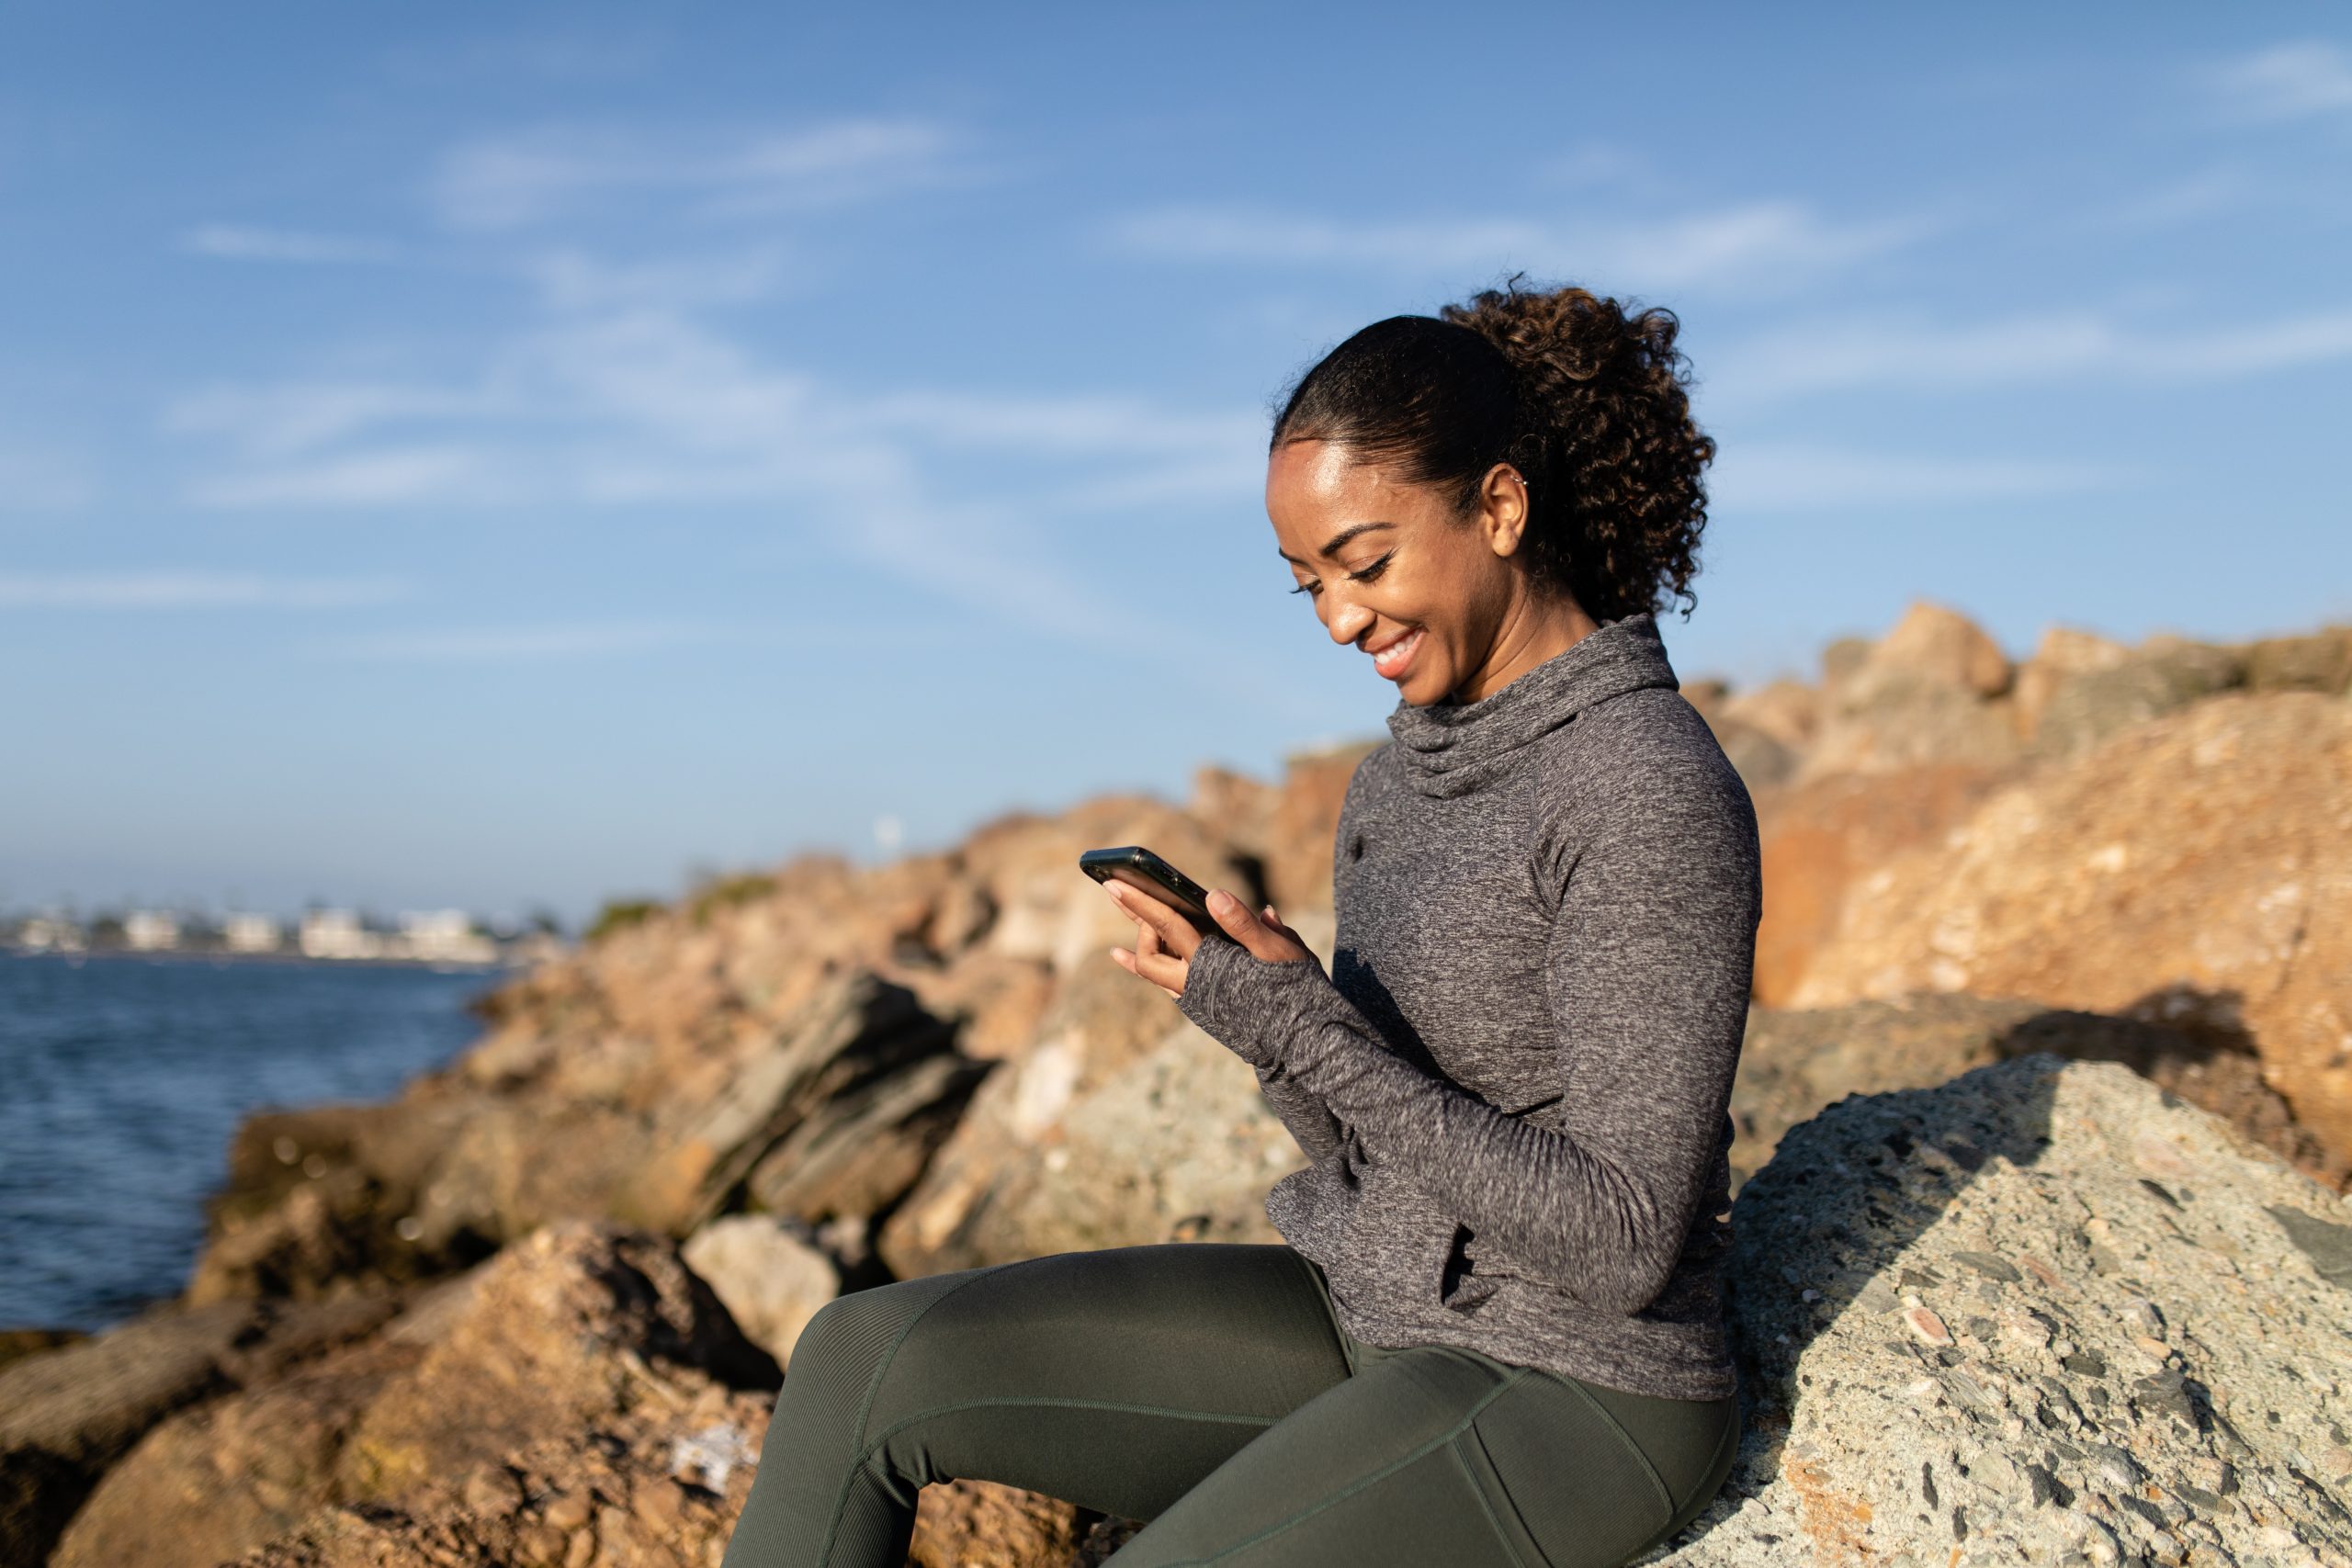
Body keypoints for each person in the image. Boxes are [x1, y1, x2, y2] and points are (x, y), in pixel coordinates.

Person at [719, 277, 1759, 1568]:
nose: (1338, 617)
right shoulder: (1400, 779)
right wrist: (1275, 1023)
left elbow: (1621, 1239)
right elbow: (1370, 1154)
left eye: (1365, 563)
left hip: (1572, 1388)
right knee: (862, 1360)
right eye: (1307, 581)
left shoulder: (1646, 787)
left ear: (1499, 507)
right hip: (1370, 1316)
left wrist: (1314, 1039)